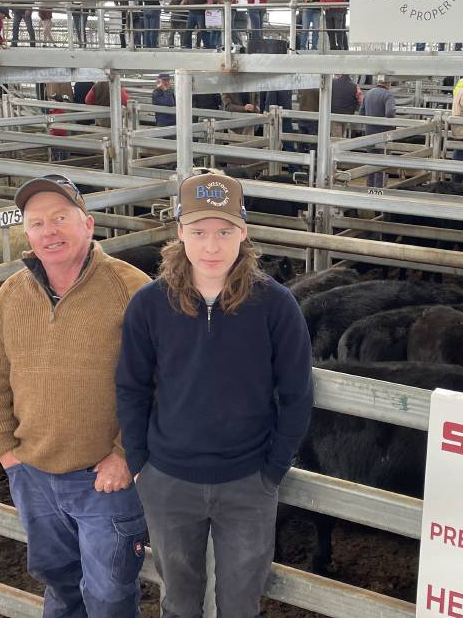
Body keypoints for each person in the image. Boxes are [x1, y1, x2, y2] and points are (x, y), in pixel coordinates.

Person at [116, 171, 313, 618]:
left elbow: (297, 393)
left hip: (247, 482)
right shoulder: (149, 305)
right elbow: (130, 386)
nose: (212, 246)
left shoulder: (276, 305)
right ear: (180, 232)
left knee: (241, 604)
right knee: (179, 601)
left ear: (243, 233)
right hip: (168, 480)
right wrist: (140, 463)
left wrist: (273, 469)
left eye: (225, 231)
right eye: (200, 232)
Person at [0, 174, 151, 617]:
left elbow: (162, 379)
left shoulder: (131, 289)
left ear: (87, 224)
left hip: (103, 476)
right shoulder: (13, 292)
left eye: (60, 218)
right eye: (37, 223)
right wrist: (2, 447)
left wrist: (125, 453)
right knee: (58, 579)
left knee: (109, 591)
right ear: (27, 233)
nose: (49, 232)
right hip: (31, 472)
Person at [362, 76, 396, 187]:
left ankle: (369, 188)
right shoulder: (388, 95)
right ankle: (378, 191)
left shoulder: (368, 93)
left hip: (369, 132)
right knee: (381, 163)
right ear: (388, 84)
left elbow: (361, 113)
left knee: (371, 161)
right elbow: (390, 112)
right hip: (383, 134)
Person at [330, 74, 361, 138]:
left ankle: (337, 147)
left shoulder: (332, 83)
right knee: (341, 135)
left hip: (334, 114)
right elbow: (358, 100)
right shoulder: (354, 86)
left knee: (336, 137)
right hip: (347, 115)